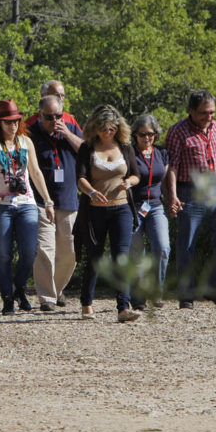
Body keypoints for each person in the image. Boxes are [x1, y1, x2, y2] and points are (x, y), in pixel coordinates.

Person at [163, 90, 216, 309]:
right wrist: (173, 196)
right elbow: (172, 166)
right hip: (189, 192)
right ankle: (186, 295)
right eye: (204, 113)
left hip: (215, 191)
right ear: (192, 111)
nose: (209, 117)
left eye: (212, 112)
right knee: (187, 244)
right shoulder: (177, 132)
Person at [0, 99, 55, 315]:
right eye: (7, 122)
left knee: (29, 251)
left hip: (26, 203)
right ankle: (7, 298)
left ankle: (20, 287)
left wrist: (48, 200)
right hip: (1, 204)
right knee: (4, 254)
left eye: (16, 121)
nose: (13, 126)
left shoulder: (25, 142)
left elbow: (35, 172)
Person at [74, 105, 143, 322]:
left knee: (121, 257)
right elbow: (81, 178)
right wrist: (92, 192)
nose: (107, 132)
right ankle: (86, 303)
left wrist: (128, 183)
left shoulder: (125, 148)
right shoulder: (87, 148)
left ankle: (123, 307)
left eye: (112, 128)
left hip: (121, 208)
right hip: (95, 211)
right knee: (95, 257)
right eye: (103, 129)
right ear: (95, 128)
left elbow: (136, 175)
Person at [28, 94, 84, 310]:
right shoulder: (31, 135)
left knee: (70, 253)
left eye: (58, 116)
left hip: (69, 201)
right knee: (45, 249)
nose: (54, 121)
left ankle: (57, 288)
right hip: (41, 201)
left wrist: (67, 133)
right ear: (40, 115)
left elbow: (86, 151)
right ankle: (47, 298)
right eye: (49, 117)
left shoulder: (70, 129)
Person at [128, 114, 171, 309]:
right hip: (134, 206)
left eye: (151, 134)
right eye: (143, 134)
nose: (147, 138)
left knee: (162, 247)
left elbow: (165, 181)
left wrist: (172, 199)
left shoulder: (162, 153)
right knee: (136, 253)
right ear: (135, 135)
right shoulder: (129, 153)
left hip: (156, 205)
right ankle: (138, 298)